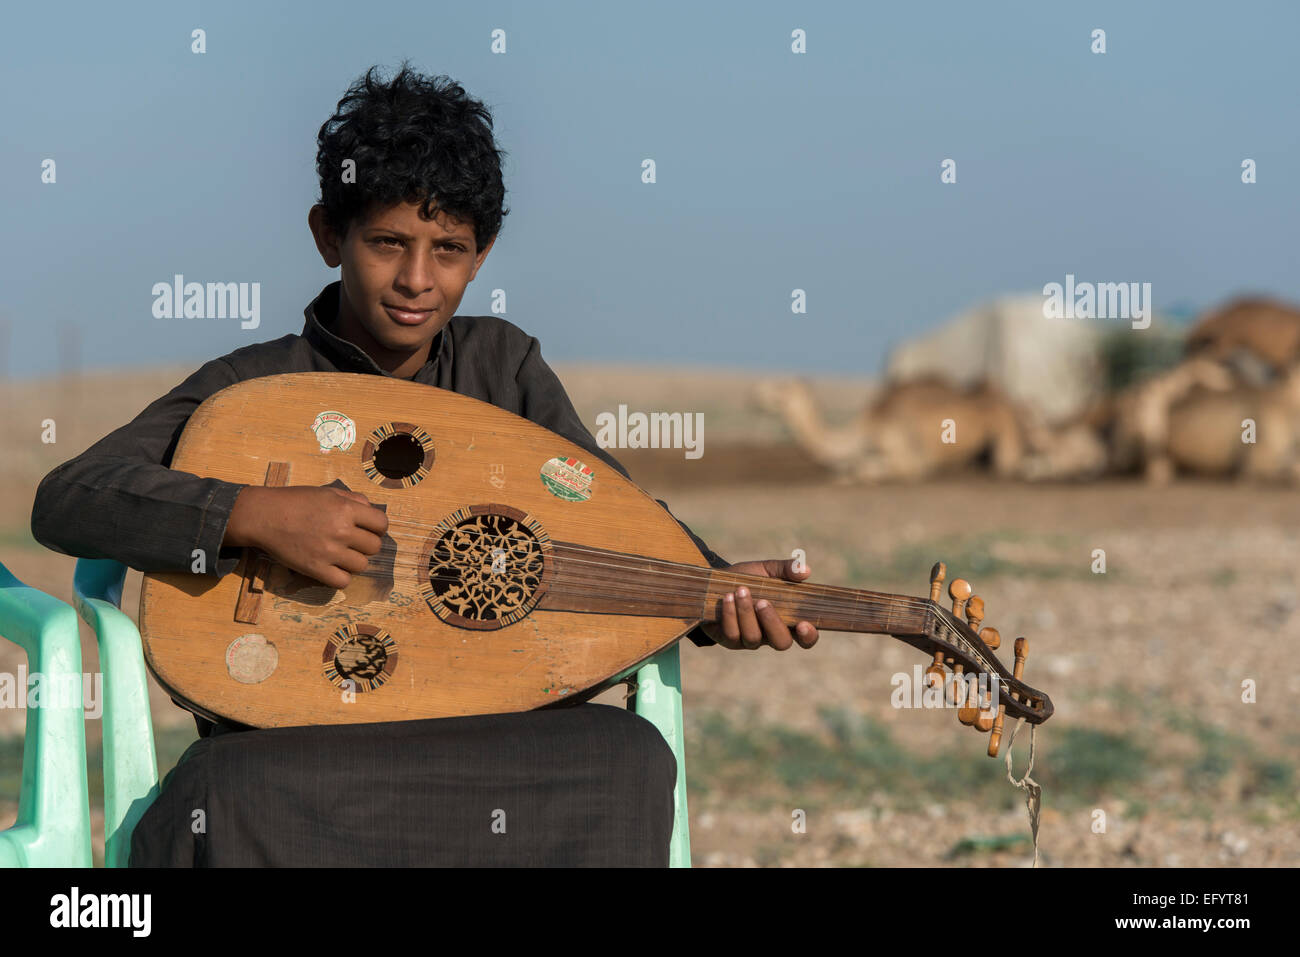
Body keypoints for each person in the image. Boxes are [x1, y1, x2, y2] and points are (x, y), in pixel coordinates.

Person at [30, 62, 819, 867]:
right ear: (328, 234)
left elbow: (609, 511)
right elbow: (69, 498)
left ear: (481, 257)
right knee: (223, 796)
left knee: (629, 759)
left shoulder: (503, 371)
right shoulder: (256, 390)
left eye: (449, 250)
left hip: (492, 738)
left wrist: (719, 588)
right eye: (387, 243)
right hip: (305, 750)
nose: (417, 279)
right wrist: (254, 515)